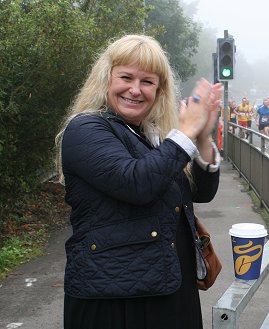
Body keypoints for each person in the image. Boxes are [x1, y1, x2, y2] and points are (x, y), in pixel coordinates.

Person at [54, 34, 222, 329]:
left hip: (167, 289)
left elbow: (201, 192)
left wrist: (203, 135)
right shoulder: (86, 129)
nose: (135, 89)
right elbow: (136, 184)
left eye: (147, 81)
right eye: (126, 77)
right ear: (106, 79)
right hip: (113, 301)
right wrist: (184, 132)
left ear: (159, 91)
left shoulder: (151, 134)